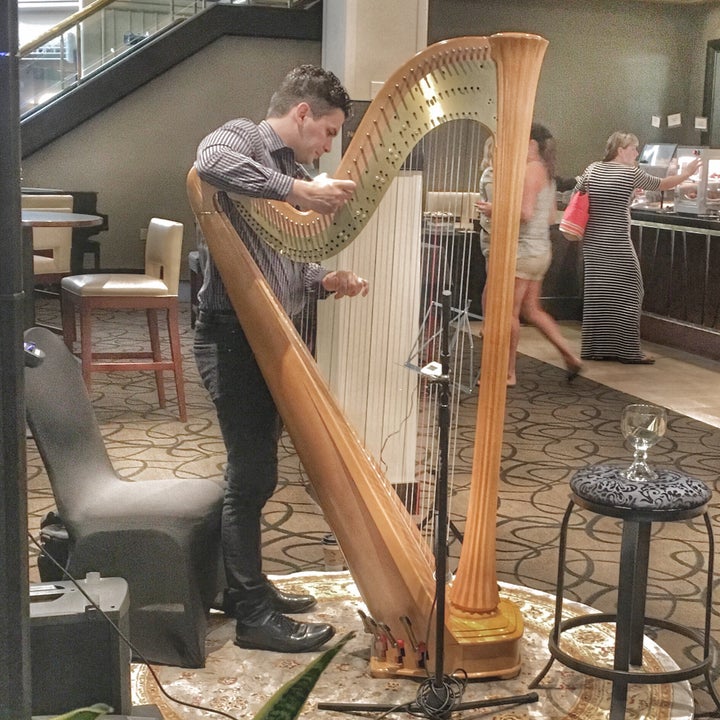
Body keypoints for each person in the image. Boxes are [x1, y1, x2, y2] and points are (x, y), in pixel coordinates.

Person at [193, 65, 368, 654]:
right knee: (252, 476)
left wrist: (326, 279)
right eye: (328, 131)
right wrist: (298, 191)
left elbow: (283, 265)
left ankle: (244, 586)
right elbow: (207, 161)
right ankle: (251, 614)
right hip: (230, 336)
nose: (327, 146)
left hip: (264, 334)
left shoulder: (292, 171)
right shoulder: (243, 139)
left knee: (255, 475)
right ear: (302, 114)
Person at [575, 131, 701, 364]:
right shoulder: (629, 172)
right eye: (634, 148)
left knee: (598, 293)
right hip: (617, 242)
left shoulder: (593, 169)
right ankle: (628, 350)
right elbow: (662, 184)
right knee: (632, 291)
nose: (637, 153)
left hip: (593, 242)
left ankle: (594, 348)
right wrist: (687, 173)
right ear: (621, 150)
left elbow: (579, 194)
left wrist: (626, 195)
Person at [476, 123, 582, 386]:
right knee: (532, 310)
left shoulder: (529, 170)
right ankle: (570, 356)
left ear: (532, 145)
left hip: (523, 251)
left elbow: (524, 214)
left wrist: (494, 210)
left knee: (507, 313)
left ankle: (507, 372)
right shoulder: (545, 172)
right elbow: (547, 217)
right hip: (540, 250)